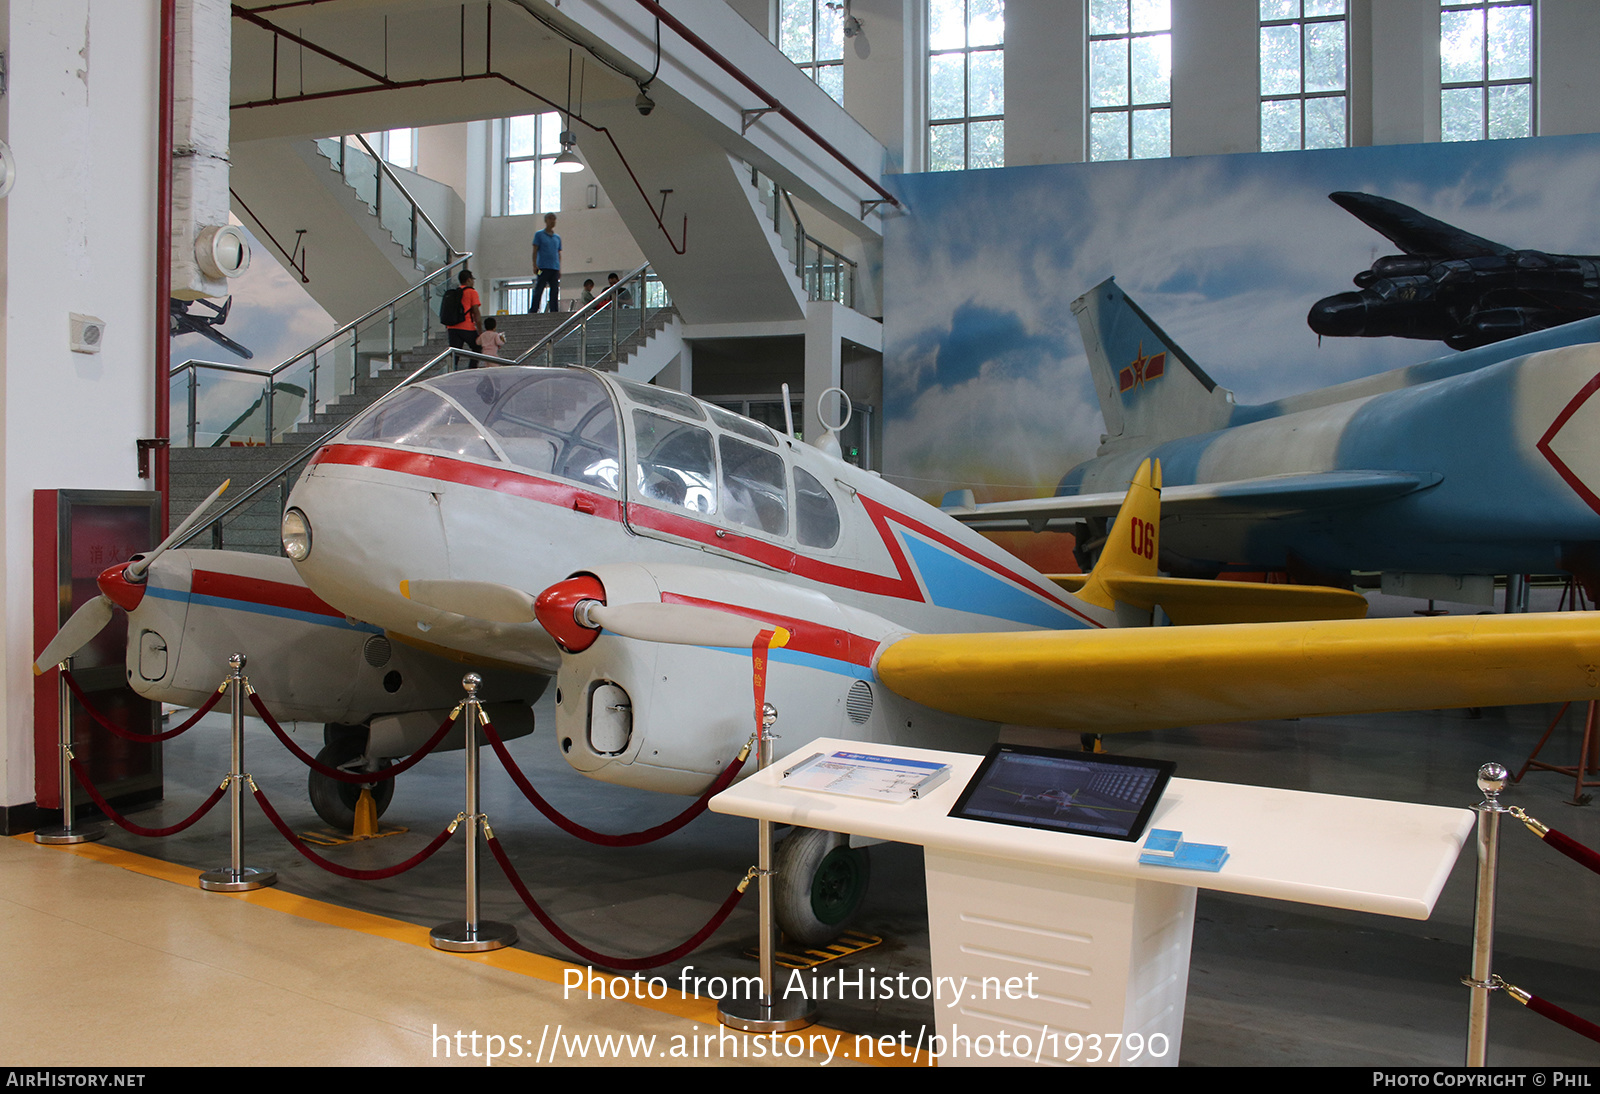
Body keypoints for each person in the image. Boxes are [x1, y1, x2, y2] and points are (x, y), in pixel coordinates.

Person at [445, 269, 481, 359]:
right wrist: (480, 331)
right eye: (472, 279)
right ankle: (472, 369)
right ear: (469, 280)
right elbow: (476, 312)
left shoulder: (455, 292)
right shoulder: (472, 292)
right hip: (467, 326)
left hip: (452, 327)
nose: (473, 282)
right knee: (478, 348)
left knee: (455, 354)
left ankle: (453, 372)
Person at [531, 213, 562, 313]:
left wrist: (559, 268)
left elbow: (558, 253)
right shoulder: (539, 235)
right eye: (550, 219)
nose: (552, 221)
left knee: (554, 291)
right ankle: (534, 309)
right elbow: (535, 250)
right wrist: (534, 265)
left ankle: (554, 310)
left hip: (554, 268)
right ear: (546, 220)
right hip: (542, 268)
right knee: (539, 288)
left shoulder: (557, 238)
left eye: (554, 219)